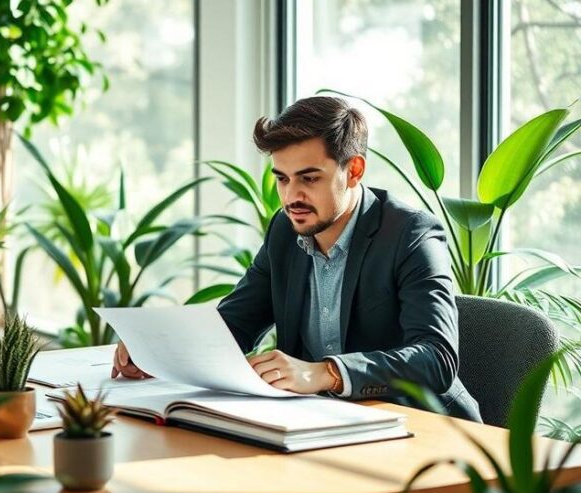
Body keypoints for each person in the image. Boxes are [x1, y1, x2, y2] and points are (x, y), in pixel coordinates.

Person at [112, 96, 481, 423]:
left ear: (353, 171)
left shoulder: (410, 234)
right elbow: (236, 323)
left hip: (423, 436)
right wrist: (157, 347)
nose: (292, 197)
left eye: (309, 178)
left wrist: (326, 374)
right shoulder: (285, 231)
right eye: (282, 179)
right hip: (320, 426)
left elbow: (436, 359)